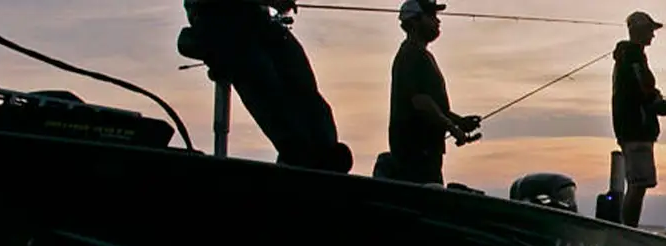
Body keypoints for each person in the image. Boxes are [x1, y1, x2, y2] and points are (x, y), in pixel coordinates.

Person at [180, 0, 352, 172]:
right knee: (262, 80)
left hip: (257, 19)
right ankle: (296, 153)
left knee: (301, 81)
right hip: (216, 21)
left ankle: (325, 149)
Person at [380, 0, 481, 185]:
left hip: (425, 152)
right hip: (416, 153)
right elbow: (420, 101)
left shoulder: (420, 55)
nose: (438, 21)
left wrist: (460, 122)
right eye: (432, 16)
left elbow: (432, 104)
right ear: (415, 21)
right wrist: (452, 127)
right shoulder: (411, 55)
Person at [610, 11, 666, 227]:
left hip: (635, 129)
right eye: (650, 30)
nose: (653, 35)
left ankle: (628, 230)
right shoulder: (633, 58)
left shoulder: (633, 58)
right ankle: (628, 232)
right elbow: (643, 96)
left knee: (639, 184)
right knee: (638, 184)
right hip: (635, 130)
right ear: (637, 30)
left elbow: (646, 93)